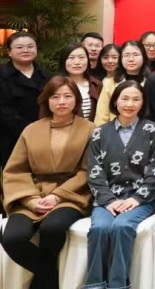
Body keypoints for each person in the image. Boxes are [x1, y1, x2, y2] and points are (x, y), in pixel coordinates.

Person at [1, 76, 94, 289]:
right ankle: (50, 276)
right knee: (12, 239)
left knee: (52, 228)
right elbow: (15, 170)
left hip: (71, 195)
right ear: (46, 100)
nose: (62, 102)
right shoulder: (31, 130)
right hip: (32, 194)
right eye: (55, 97)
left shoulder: (90, 129)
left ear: (76, 100)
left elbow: (88, 170)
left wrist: (58, 196)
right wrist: (30, 199)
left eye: (67, 96)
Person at [85, 80, 155, 289]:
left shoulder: (152, 130)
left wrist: (137, 198)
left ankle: (118, 285)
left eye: (136, 99)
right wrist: (108, 200)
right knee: (100, 228)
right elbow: (94, 172)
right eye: (125, 98)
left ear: (142, 103)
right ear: (115, 101)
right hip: (107, 200)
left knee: (122, 226)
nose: (130, 104)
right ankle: (94, 285)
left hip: (141, 199)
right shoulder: (99, 133)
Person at [0, 32, 51, 172]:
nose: (26, 50)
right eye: (19, 47)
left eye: (30, 46)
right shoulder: (2, 75)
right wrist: (29, 129)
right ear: (9, 52)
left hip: (43, 135)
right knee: (15, 176)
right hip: (11, 137)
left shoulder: (46, 75)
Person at [94, 40, 149, 126]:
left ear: (144, 57)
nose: (131, 59)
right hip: (114, 131)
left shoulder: (151, 82)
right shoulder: (110, 83)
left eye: (136, 55)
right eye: (126, 55)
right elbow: (101, 115)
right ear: (121, 59)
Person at [58, 43, 102, 120]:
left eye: (81, 57)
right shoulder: (56, 85)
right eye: (71, 58)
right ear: (63, 61)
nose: (77, 62)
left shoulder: (97, 85)